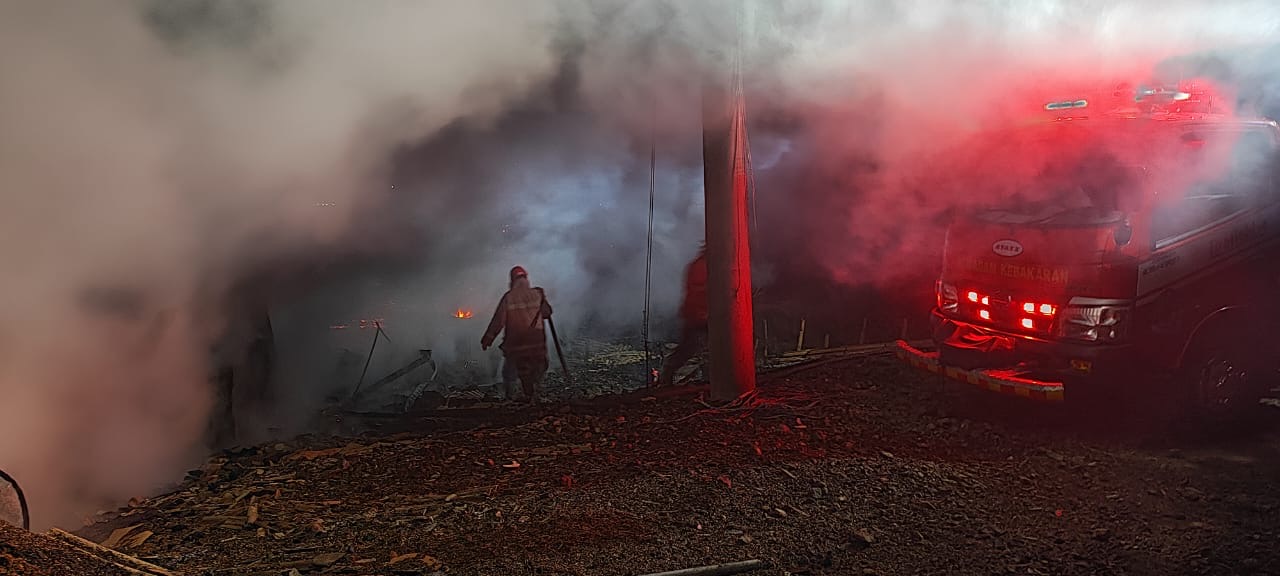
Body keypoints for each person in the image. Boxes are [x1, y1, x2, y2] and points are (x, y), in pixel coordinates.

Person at [481, 266, 553, 403]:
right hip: (537, 344)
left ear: (512, 280)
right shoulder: (537, 294)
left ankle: (510, 398)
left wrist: (487, 339)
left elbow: (498, 321)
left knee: (510, 373)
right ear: (526, 278)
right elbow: (547, 313)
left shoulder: (509, 297)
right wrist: (543, 298)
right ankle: (533, 395)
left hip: (516, 345)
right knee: (536, 370)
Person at [657, 245, 708, 387]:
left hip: (704, 313)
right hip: (697, 313)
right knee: (689, 347)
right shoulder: (701, 266)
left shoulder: (703, 264)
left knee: (696, 346)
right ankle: (667, 375)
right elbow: (698, 289)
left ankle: (667, 375)